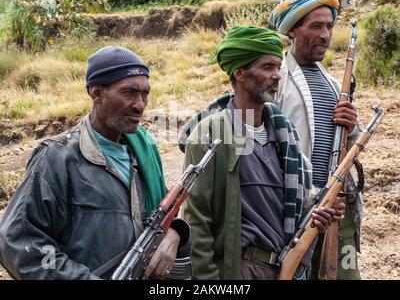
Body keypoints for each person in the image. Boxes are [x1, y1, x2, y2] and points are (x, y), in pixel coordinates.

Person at [0, 46, 189, 280]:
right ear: (96, 93)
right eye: (129, 93)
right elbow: (20, 241)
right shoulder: (57, 157)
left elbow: (161, 217)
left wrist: (175, 234)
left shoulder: (145, 150)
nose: (140, 104)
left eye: (145, 94)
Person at [181, 25, 344, 280]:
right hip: (240, 270)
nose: (277, 75)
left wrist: (316, 211)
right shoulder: (211, 132)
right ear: (240, 73)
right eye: (267, 67)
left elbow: (292, 206)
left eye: (278, 67)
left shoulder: (284, 134)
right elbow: (196, 220)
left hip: (283, 268)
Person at [268, 0, 363, 280]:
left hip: (337, 208)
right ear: (293, 30)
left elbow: (351, 148)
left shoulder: (336, 86)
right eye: (316, 26)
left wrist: (352, 126)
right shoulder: (275, 80)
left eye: (329, 26)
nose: (324, 35)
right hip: (293, 212)